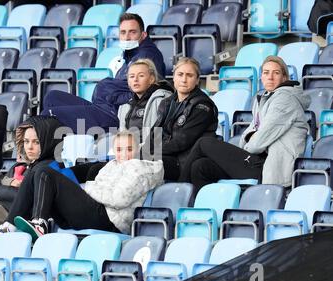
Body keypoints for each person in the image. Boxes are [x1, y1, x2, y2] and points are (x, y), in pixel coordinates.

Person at [180, 56, 310, 193]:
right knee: (200, 166)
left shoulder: (284, 99)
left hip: (269, 167)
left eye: (276, 73)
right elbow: (246, 137)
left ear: (285, 77)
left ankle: (178, 191)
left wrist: (248, 146)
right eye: (266, 73)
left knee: (203, 143)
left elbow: (257, 142)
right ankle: (200, 207)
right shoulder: (165, 104)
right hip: (256, 160)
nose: (270, 77)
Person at [10, 130, 164, 240]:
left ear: (137, 150)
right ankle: (9, 225)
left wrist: (89, 189)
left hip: (108, 220)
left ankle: (39, 224)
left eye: (129, 149)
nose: (123, 154)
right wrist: (94, 189)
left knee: (45, 173)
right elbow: (104, 191)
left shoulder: (137, 167)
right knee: (34, 172)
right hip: (94, 211)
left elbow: (119, 198)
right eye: (119, 149)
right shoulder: (111, 165)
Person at [40, 13, 166, 133]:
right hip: (102, 108)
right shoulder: (130, 54)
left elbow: (143, 93)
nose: (127, 37)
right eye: (123, 32)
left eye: (132, 32)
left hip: (112, 116)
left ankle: (42, 150)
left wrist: (110, 95)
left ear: (143, 35)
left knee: (50, 113)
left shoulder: (148, 56)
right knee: (52, 97)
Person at [143, 57, 218, 181]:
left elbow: (181, 142)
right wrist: (145, 149)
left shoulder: (202, 106)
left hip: (184, 162)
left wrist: (151, 152)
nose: (184, 79)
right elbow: (154, 133)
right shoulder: (167, 102)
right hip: (165, 156)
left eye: (189, 75)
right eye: (180, 74)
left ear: (197, 80)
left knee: (142, 163)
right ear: (174, 77)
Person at [118, 58, 174, 142]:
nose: (135, 79)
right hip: (133, 152)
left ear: (151, 79)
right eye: (132, 76)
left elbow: (163, 136)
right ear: (128, 82)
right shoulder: (125, 107)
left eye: (141, 75)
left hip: (154, 152)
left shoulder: (162, 100)